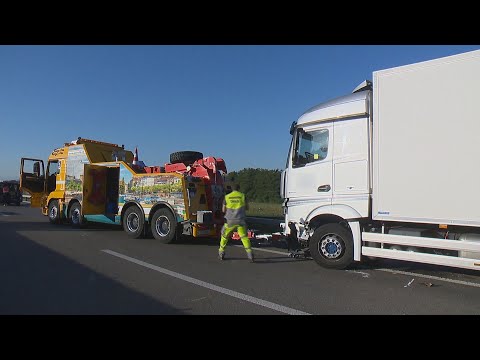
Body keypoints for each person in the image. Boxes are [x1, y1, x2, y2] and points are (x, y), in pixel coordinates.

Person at [218, 184, 254, 262]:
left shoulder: (227, 197)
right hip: (240, 220)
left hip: (229, 221)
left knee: (224, 236)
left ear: (231, 189)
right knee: (244, 237)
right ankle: (250, 254)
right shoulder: (242, 196)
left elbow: (223, 210)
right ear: (239, 189)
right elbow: (247, 208)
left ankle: (221, 253)